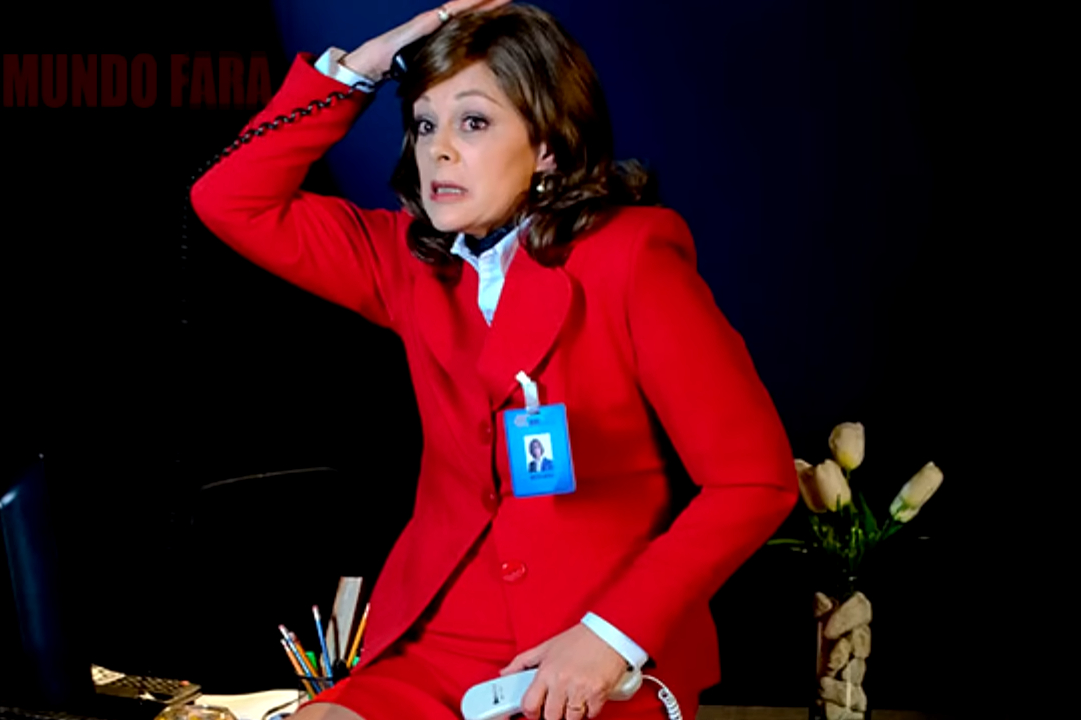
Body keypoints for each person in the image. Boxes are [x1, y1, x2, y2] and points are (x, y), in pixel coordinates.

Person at [190, 2, 798, 718]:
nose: (439, 151)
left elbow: (753, 481)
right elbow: (228, 197)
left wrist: (610, 636)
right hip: (440, 639)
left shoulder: (633, 258)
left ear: (547, 145)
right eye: (425, 124)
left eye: (473, 122)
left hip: (593, 648)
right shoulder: (407, 263)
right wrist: (362, 68)